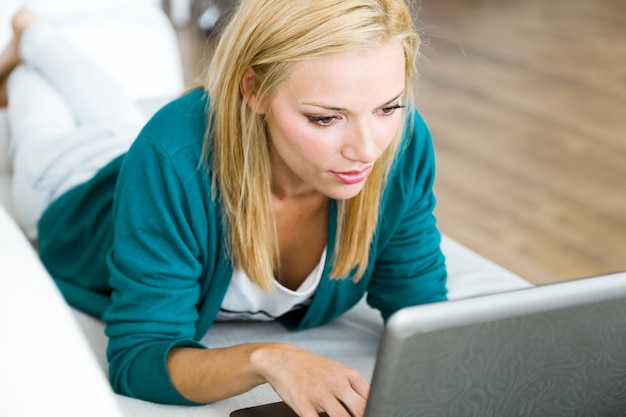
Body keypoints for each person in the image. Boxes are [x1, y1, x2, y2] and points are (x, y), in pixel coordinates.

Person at [2, 1, 448, 416]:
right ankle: (32, 37)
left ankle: (36, 40)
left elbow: (423, 313)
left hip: (143, 152)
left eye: (388, 108)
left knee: (115, 113)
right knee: (36, 111)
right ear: (252, 89)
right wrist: (268, 359)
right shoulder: (170, 158)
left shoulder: (401, 147)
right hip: (67, 180)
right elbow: (138, 358)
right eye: (325, 118)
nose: (367, 149)